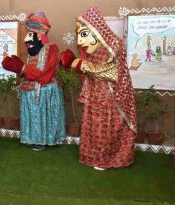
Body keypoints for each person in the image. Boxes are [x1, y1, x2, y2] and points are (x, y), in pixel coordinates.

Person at [60, 7, 137, 170]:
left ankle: (107, 158)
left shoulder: (114, 47)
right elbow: (89, 72)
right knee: (93, 128)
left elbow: (110, 71)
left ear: (97, 32)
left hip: (111, 100)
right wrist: (80, 65)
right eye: (78, 36)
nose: (80, 41)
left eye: (84, 35)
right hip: (94, 97)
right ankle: (93, 156)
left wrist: (79, 64)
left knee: (106, 129)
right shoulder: (91, 54)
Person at [2, 12, 66, 151]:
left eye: (31, 33)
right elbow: (27, 71)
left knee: (41, 113)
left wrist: (20, 66)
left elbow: (45, 75)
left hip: (45, 90)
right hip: (31, 89)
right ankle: (34, 138)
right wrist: (16, 66)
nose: (27, 39)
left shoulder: (51, 48)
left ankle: (44, 139)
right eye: (28, 32)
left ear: (41, 34)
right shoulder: (32, 51)